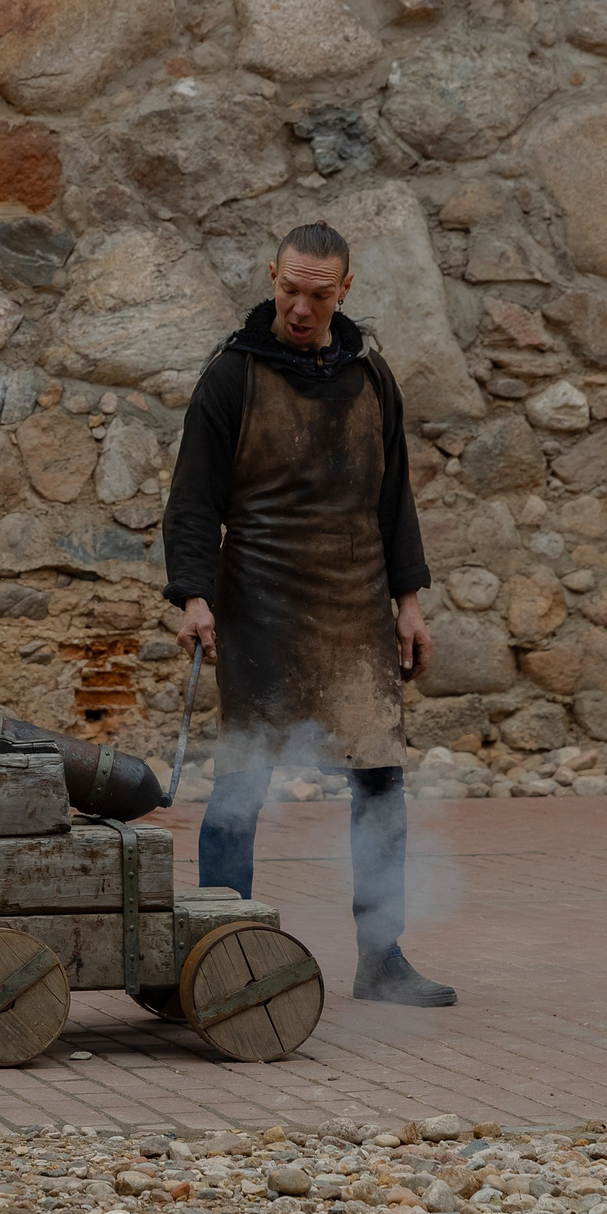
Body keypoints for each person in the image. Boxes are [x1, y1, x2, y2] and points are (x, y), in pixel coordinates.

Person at [161, 221, 456, 1007]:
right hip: (259, 608)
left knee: (379, 782)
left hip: (357, 611)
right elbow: (193, 501)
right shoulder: (232, 377)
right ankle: (224, 953)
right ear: (272, 278)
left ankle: (381, 956)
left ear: (344, 292)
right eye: (289, 289)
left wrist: (410, 604)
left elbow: (394, 502)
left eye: (317, 295)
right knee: (240, 786)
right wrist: (195, 598)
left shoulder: (371, 376)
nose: (299, 306)